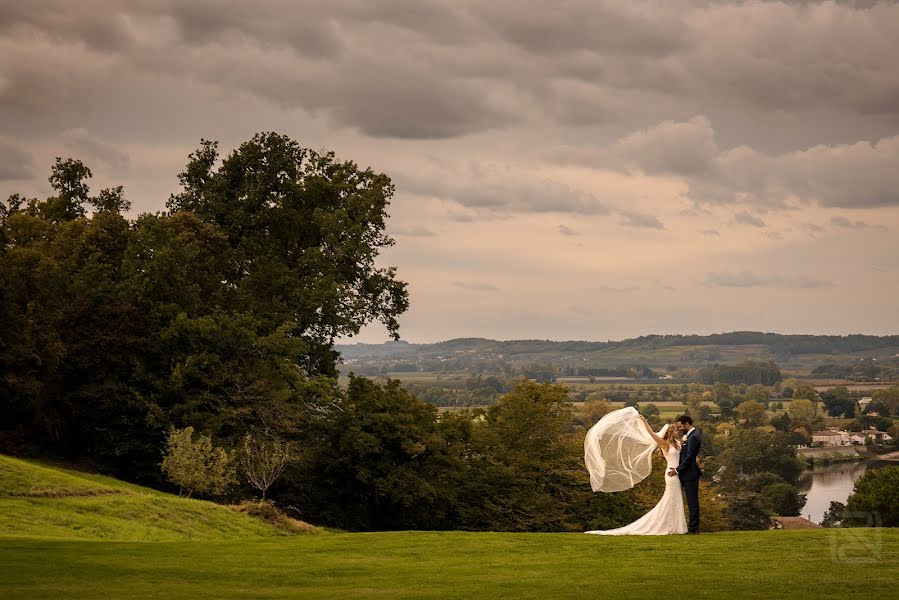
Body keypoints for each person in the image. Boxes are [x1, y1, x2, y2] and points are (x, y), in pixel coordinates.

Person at [584, 408, 688, 535]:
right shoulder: (664, 444)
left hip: (677, 473)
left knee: (676, 499)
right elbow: (652, 434)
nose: (678, 432)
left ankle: (676, 526)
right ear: (671, 432)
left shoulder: (678, 443)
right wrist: (645, 423)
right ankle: (669, 525)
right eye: (676, 431)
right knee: (670, 498)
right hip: (671, 474)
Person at [670, 414, 702, 534]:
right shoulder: (689, 436)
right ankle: (692, 527)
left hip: (690, 474)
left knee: (692, 502)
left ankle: (694, 528)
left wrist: (677, 470)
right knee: (690, 501)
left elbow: (689, 457)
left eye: (680, 426)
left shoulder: (693, 437)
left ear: (687, 424)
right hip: (687, 474)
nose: (679, 429)